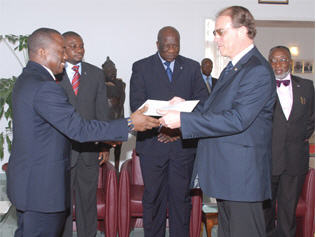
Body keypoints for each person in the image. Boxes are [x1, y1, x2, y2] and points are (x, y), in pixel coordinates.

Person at [6, 27, 159, 237]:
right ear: (42, 52)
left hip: (31, 184)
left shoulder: (27, 79)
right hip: (41, 188)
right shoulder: (45, 86)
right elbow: (78, 128)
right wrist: (129, 124)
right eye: (61, 50)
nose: (66, 55)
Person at [159, 6, 276, 237]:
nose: (216, 38)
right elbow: (214, 108)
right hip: (229, 175)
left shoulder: (257, 70)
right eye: (215, 33)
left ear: (242, 31)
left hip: (243, 178)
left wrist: (183, 120)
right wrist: (184, 105)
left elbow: (237, 119)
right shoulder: (233, 68)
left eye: (220, 32)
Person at [130, 26, 208, 237]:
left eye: (176, 45)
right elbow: (137, 106)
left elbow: (203, 104)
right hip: (153, 146)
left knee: (180, 200)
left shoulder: (192, 67)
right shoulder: (141, 67)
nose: (172, 49)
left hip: (182, 147)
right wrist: (163, 128)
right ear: (157, 45)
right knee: (153, 198)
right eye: (167, 46)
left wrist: (178, 130)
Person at [56, 31, 110, 237]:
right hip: (62, 151)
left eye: (81, 45)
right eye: (73, 46)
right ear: (62, 49)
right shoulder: (54, 74)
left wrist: (104, 145)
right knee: (64, 203)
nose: (79, 50)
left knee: (88, 202)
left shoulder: (95, 74)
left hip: (89, 151)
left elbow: (102, 113)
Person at [263, 46, 315, 237]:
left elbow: (310, 121)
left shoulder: (307, 87)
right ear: (269, 63)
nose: (278, 64)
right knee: (264, 212)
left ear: (290, 62)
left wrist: (294, 138)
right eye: (274, 60)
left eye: (283, 59)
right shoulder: (261, 87)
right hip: (267, 159)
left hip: (294, 160)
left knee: (288, 213)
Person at [102, 56, 126, 172]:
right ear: (104, 72)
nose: (113, 73)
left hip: (119, 119)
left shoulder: (121, 84)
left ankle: (117, 169)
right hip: (106, 122)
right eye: (110, 71)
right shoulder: (100, 85)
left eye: (114, 71)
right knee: (103, 150)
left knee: (118, 149)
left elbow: (120, 99)